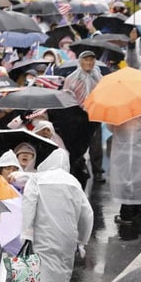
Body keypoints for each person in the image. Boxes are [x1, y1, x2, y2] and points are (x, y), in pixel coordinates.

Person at [20, 149, 93, 282]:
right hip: (66, 239)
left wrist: (25, 231)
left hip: (40, 236)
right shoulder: (74, 183)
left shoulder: (37, 179)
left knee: (32, 277)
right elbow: (87, 214)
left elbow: (28, 205)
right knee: (61, 277)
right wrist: (82, 240)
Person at [62, 50, 105, 183]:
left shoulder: (99, 78)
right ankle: (77, 167)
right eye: (86, 60)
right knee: (78, 144)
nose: (89, 62)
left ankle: (97, 171)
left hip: (94, 115)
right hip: (78, 116)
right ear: (80, 61)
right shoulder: (72, 79)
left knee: (96, 144)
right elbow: (66, 97)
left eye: (91, 60)